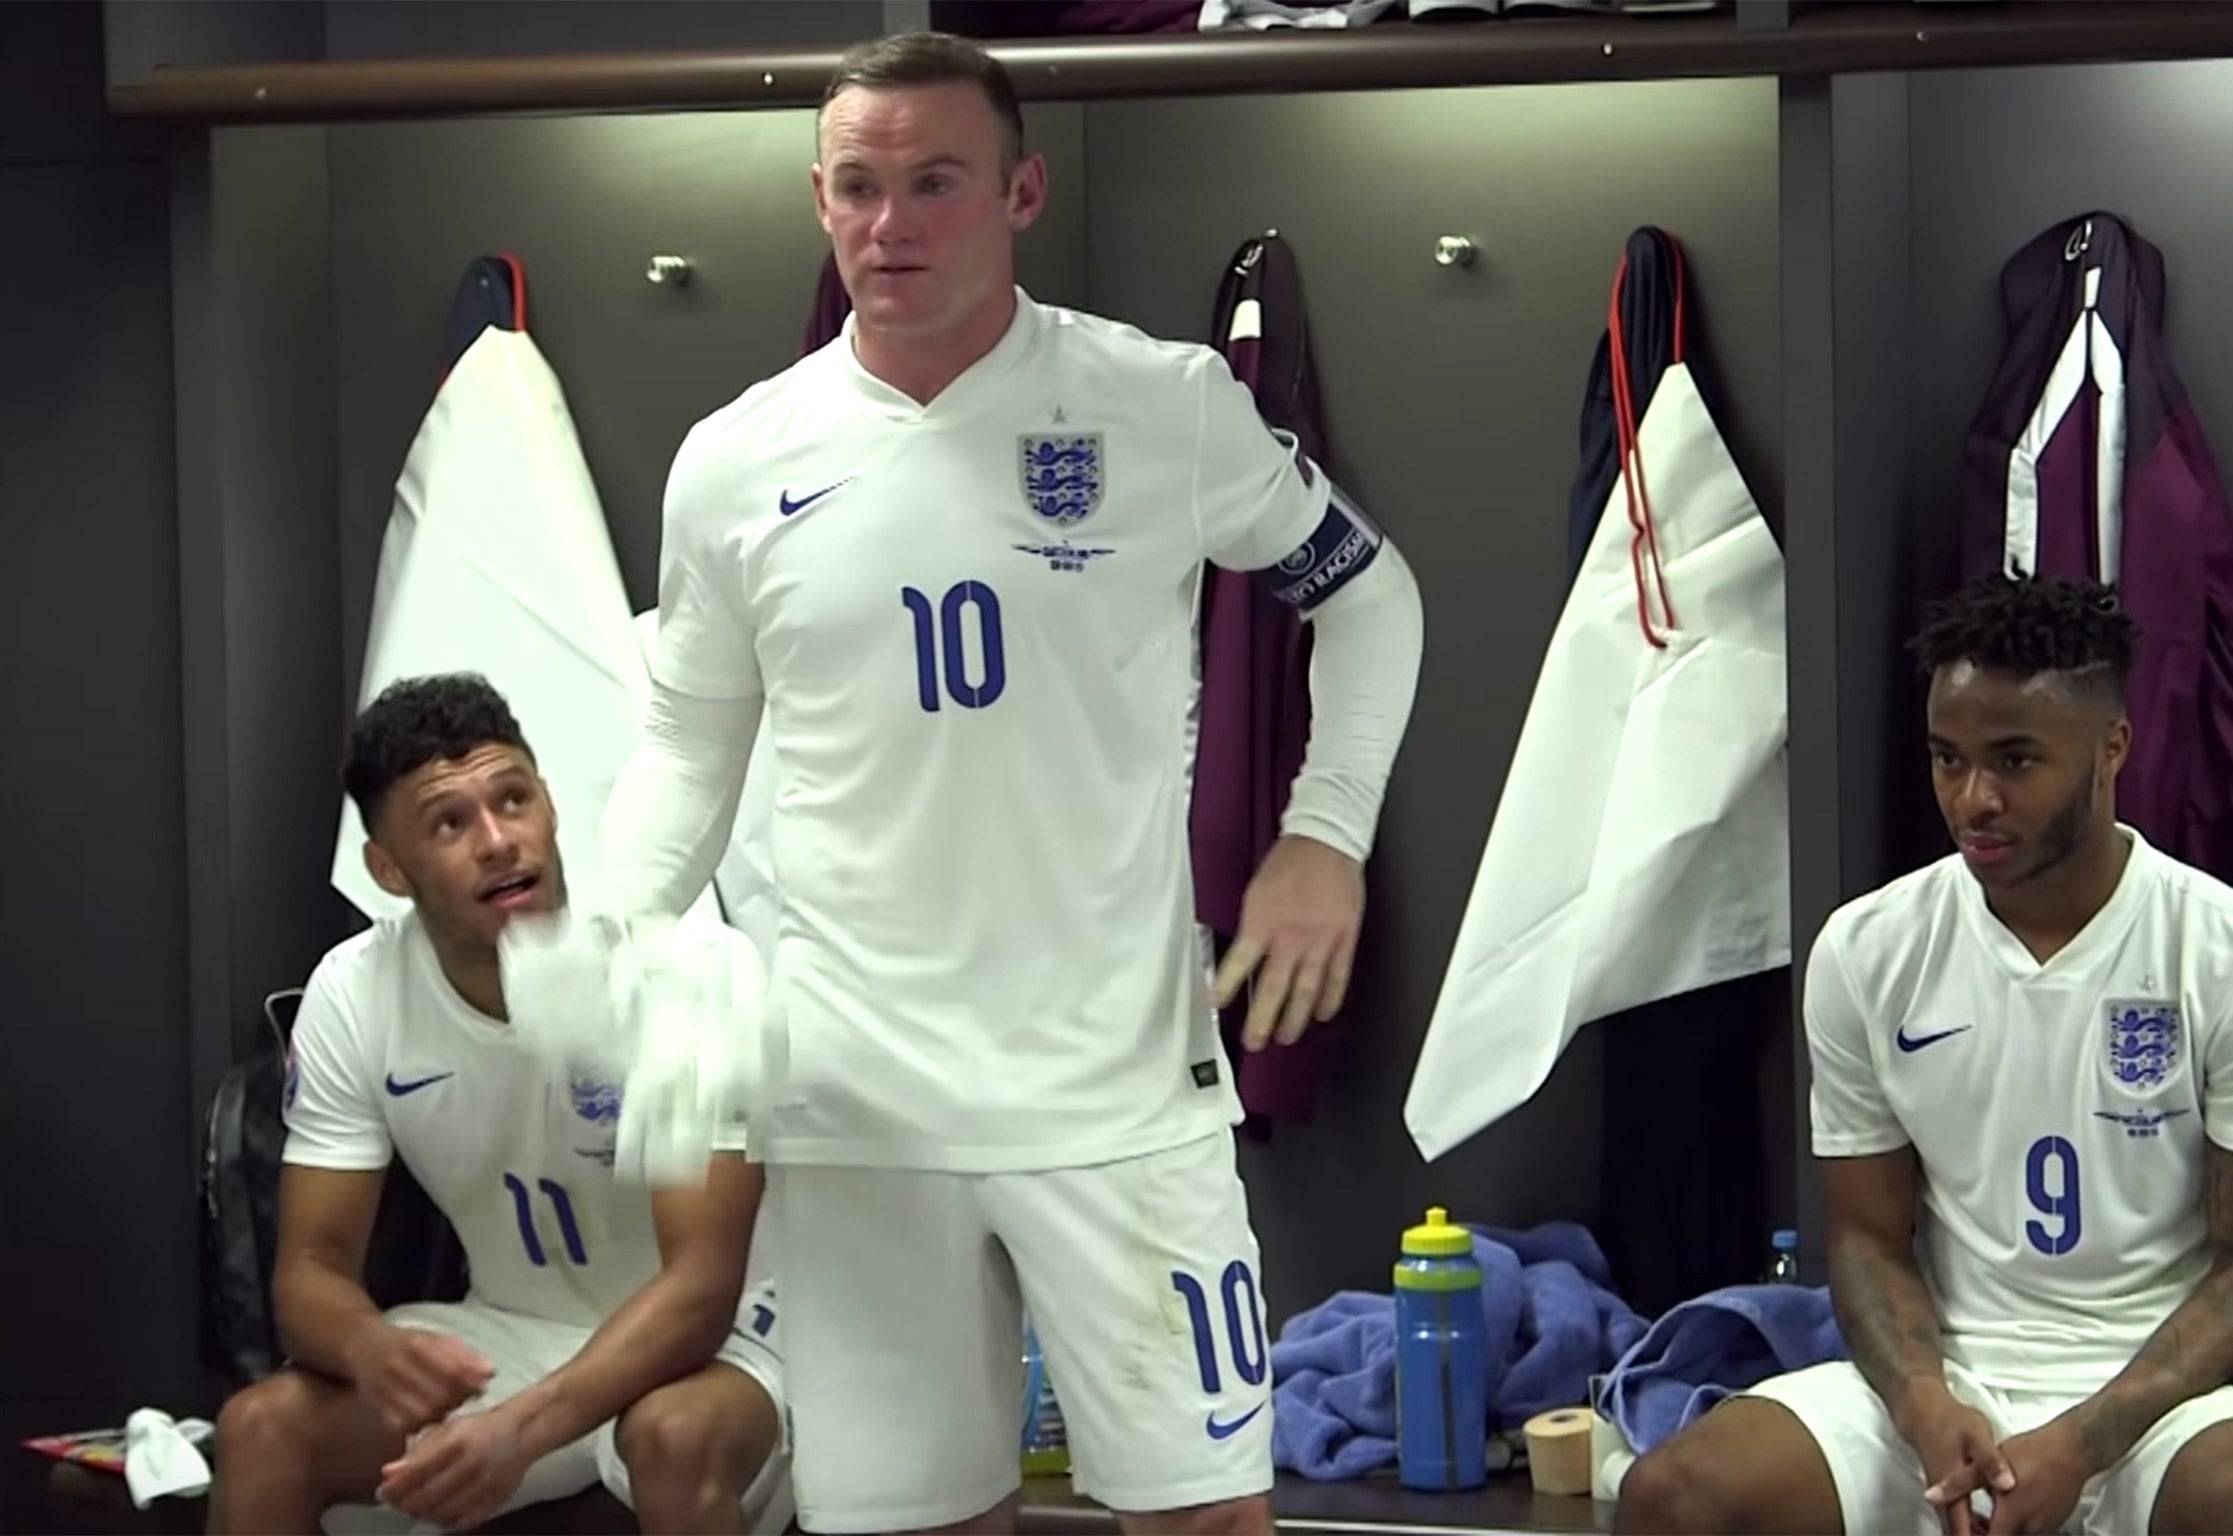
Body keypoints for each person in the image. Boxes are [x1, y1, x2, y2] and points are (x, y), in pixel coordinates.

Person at [591, 28, 1425, 1536]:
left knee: (1205, 1520)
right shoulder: (732, 462)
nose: (890, 223)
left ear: (1021, 190)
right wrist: (620, 934)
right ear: (819, 197)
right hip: (855, 1104)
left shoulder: (1158, 405)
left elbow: (1371, 599)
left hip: (1111, 1088)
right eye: (857, 186)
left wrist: (1327, 838)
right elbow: (684, 747)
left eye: (933, 183)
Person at [1615, 574, 2233, 1536]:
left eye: (2014, 761)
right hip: (1957, 1388)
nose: (1972, 799)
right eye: (1948, 760)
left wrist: (2081, 1441)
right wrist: (1924, 1406)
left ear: (2112, 747)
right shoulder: (1869, 950)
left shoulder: (2213, 947)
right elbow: (1865, 1238)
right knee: (1672, 1499)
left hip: (2162, 1407)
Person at [208, 674, 789, 1536]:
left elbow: (699, 1286)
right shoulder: (357, 990)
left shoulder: (681, 965)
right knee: (261, 1430)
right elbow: (309, 1273)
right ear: (388, 869)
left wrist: (515, 1434)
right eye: (449, 823)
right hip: (518, 1330)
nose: (498, 841)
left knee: (671, 1435)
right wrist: (373, 1348)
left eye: (513, 800)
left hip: (732, 1336)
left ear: (549, 806)